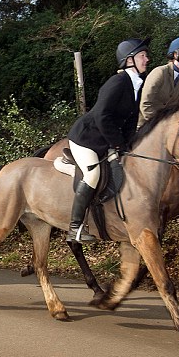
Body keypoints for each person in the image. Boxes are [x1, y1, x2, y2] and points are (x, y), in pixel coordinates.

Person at [66, 38, 150, 243]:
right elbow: (102, 116)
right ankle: (75, 228)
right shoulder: (118, 82)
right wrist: (118, 144)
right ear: (129, 60)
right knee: (93, 174)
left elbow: (131, 119)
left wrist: (128, 144)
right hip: (86, 138)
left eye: (145, 56)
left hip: (106, 138)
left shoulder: (136, 84)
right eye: (142, 56)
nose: (147, 59)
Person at [138, 36, 179, 127]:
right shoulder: (160, 72)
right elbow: (145, 104)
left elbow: (173, 106)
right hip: (146, 125)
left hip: (166, 126)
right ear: (176, 55)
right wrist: (161, 124)